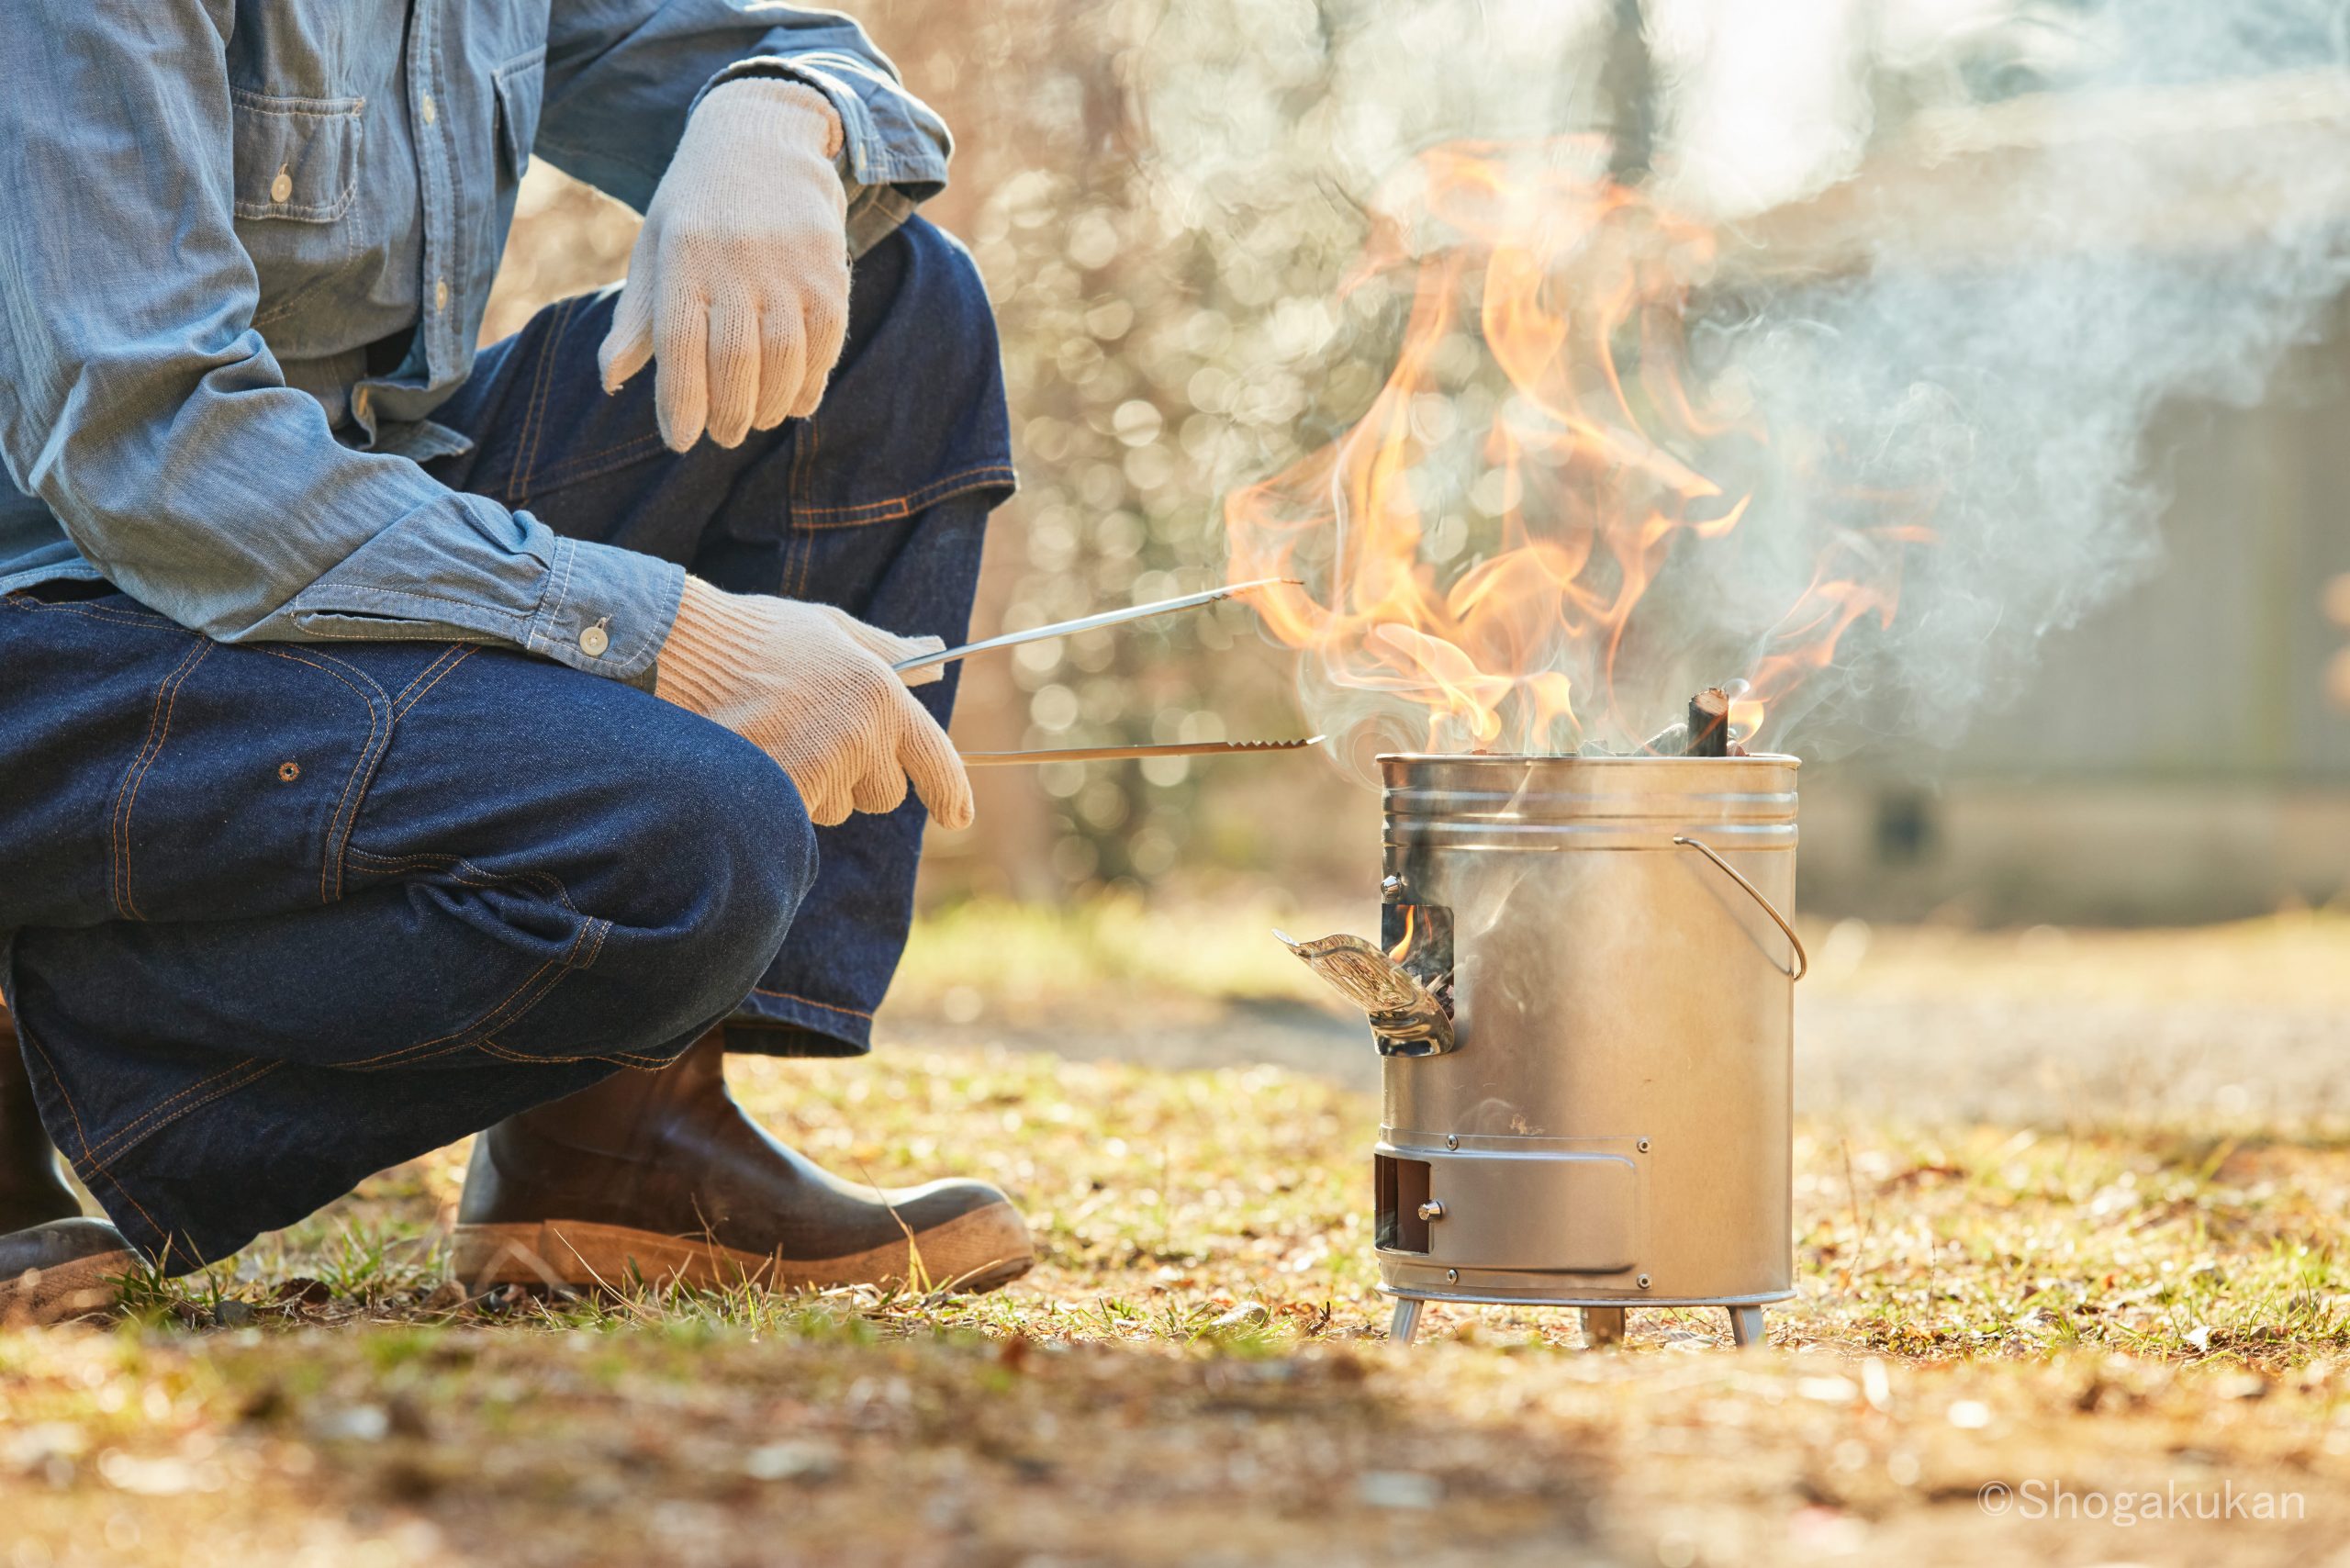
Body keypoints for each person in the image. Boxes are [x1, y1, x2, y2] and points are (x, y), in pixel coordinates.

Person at [0, 0, 1034, 1322]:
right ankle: (28, 1024)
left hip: (316, 554)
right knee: (692, 842)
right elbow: (156, 455)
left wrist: (778, 109)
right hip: (54, 624)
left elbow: (784, 49)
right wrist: (678, 637)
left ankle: (613, 1142)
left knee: (897, 293)